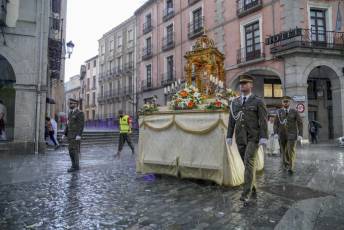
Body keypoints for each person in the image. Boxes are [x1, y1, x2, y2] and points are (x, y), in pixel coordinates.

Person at [227, 74, 268, 204]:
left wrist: (264, 136)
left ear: (251, 85)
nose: (242, 85)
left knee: (249, 162)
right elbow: (232, 120)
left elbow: (263, 120)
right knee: (247, 165)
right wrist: (229, 135)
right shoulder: (235, 102)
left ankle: (246, 194)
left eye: (245, 83)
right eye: (241, 84)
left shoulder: (258, 101)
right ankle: (253, 188)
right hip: (240, 137)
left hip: (253, 137)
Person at [274, 96, 303, 174]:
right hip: (281, 134)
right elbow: (276, 123)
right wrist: (276, 133)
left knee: (291, 150)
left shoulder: (294, 111)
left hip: (292, 134)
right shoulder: (279, 112)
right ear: (282, 103)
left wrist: (300, 134)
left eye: (287, 101)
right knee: (283, 151)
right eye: (284, 101)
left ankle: (291, 167)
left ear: (289, 102)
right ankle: (285, 163)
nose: (285, 103)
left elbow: (300, 123)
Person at [62, 98, 85, 172]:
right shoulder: (70, 113)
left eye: (71, 103)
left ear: (76, 104)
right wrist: (64, 134)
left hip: (75, 136)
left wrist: (79, 135)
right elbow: (67, 124)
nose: (70, 105)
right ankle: (73, 165)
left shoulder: (79, 113)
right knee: (70, 151)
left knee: (74, 151)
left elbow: (81, 125)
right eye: (69, 103)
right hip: (70, 135)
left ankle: (75, 166)